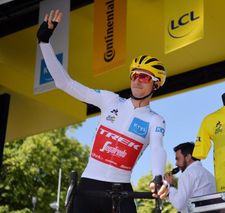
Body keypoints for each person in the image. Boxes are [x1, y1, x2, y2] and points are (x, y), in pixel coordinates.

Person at [37, 10, 168, 213]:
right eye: (134, 75)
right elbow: (64, 83)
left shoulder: (155, 120)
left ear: (156, 85)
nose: (137, 80)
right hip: (89, 187)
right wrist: (44, 42)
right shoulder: (110, 100)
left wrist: (158, 179)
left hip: (122, 189)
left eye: (144, 77)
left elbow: (158, 149)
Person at [164, 142, 216, 213]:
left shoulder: (188, 173)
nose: (176, 163)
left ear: (188, 157)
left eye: (178, 159)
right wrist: (168, 195)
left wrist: (171, 186)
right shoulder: (209, 175)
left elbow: (179, 204)